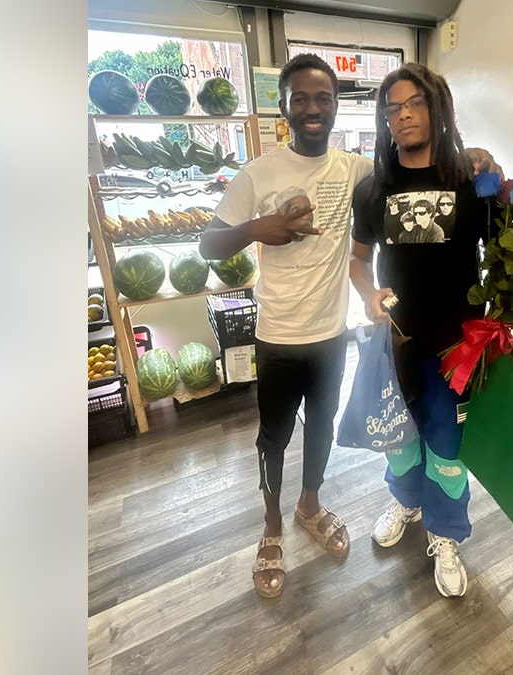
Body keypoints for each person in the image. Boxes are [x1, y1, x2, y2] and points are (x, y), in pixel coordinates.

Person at [199, 53, 368, 600]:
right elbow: (207, 245)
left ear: (336, 107)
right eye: (301, 99)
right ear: (285, 107)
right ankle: (272, 526)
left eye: (323, 98)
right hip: (277, 336)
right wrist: (254, 227)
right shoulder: (259, 174)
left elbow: (417, 169)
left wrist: (474, 156)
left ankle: (309, 505)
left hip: (332, 333)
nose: (313, 108)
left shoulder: (354, 168)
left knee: (323, 426)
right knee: (274, 437)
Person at [349, 63, 501, 598]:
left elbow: (502, 251)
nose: (404, 114)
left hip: (455, 345)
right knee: (399, 436)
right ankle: (407, 503)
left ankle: (446, 533)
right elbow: (358, 258)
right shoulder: (373, 189)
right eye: (393, 107)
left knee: (448, 445)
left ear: (437, 108)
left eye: (414, 102)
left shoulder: (470, 182)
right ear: (384, 118)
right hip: (397, 343)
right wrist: (368, 295)